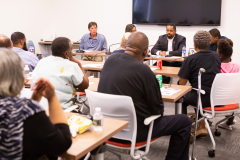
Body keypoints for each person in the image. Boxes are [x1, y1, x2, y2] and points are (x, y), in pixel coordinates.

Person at [98, 32, 192, 160]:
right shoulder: (144, 71)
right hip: (134, 132)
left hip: (106, 128)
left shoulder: (110, 61)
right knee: (184, 121)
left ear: (127, 46)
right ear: (145, 52)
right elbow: (158, 110)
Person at [0, 48, 72, 159]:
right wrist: (52, 97)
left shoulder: (22, 109)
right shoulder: (22, 109)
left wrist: (32, 102)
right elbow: (62, 144)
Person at [178, 31, 221, 138]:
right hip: (216, 97)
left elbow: (182, 83)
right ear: (209, 43)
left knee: (181, 98)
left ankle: (184, 130)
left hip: (200, 97)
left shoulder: (190, 59)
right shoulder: (216, 56)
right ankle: (201, 125)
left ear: (195, 45)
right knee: (199, 90)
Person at [32, 37, 89, 109]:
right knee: (87, 107)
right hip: (61, 110)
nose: (72, 52)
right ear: (66, 53)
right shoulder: (72, 65)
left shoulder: (41, 61)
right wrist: (79, 64)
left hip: (38, 107)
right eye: (71, 50)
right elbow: (85, 86)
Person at [216, 38, 240, 130]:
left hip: (218, 99)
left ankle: (204, 123)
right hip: (233, 98)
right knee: (231, 93)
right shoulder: (236, 66)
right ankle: (229, 122)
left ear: (220, 55)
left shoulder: (217, 66)